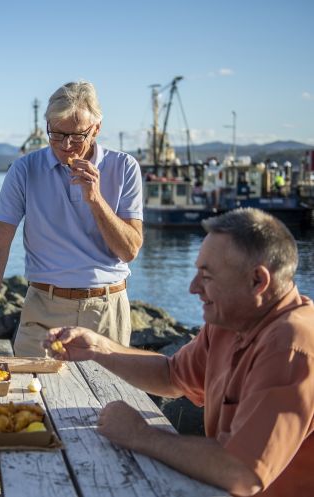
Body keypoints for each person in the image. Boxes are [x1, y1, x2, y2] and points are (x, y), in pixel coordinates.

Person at [45, 208, 314, 496]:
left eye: (206, 276)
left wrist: (139, 435)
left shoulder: (291, 344)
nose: (192, 288)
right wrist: (99, 348)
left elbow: (244, 471)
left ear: (257, 281)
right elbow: (171, 376)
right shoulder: (231, 323)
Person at [0, 79, 143, 358]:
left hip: (105, 310)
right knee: (31, 398)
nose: (66, 145)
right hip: (42, 309)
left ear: (97, 129)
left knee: (109, 401)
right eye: (56, 134)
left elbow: (129, 250)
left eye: (77, 136)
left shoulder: (124, 167)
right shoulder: (24, 170)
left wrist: (95, 199)